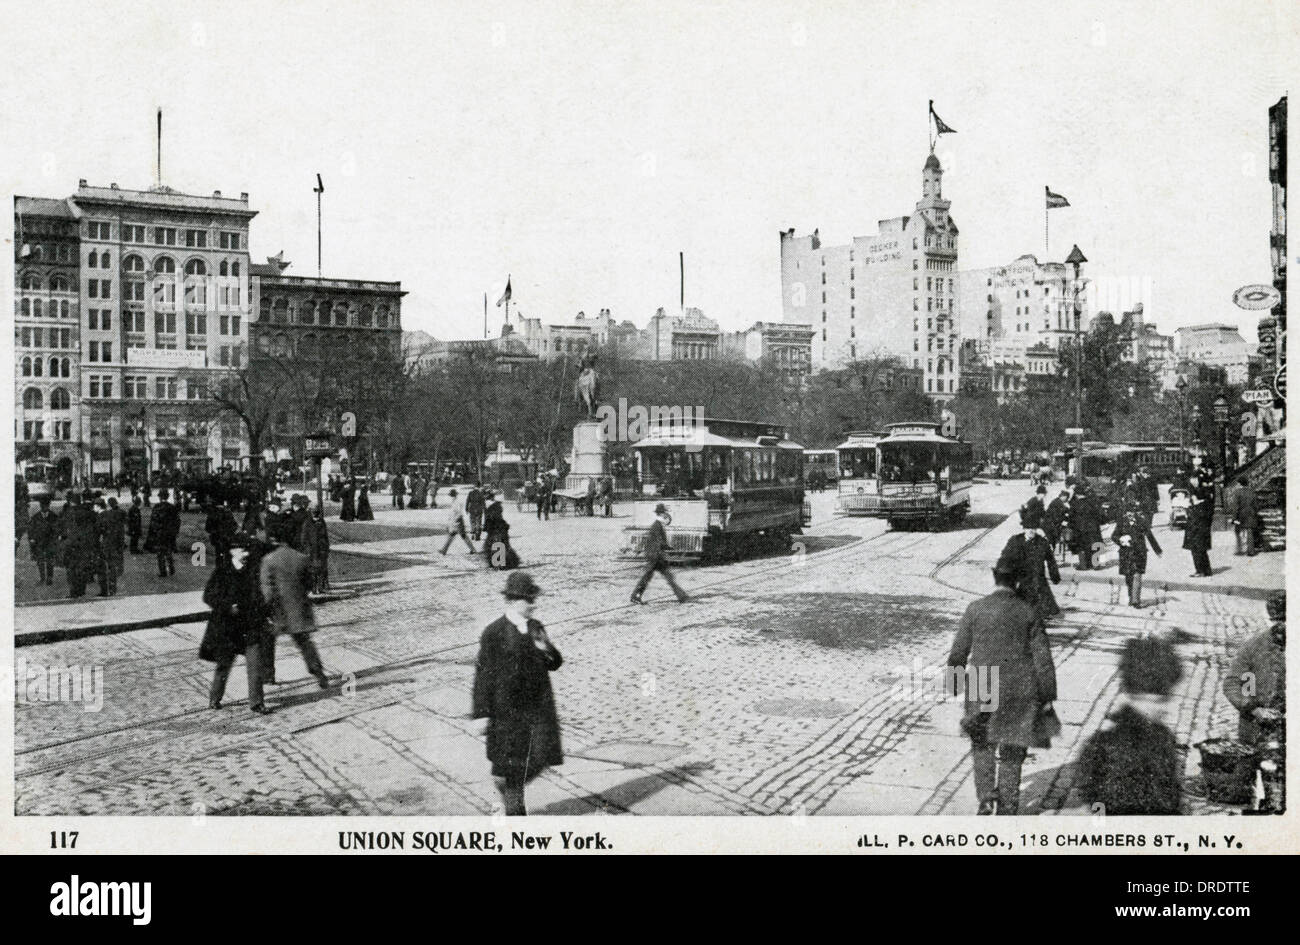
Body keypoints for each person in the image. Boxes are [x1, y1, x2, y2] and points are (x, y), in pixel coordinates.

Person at [947, 562, 1058, 815]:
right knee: (1012, 748)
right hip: (1018, 686)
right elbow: (1043, 658)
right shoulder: (1028, 611)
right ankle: (1008, 807)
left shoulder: (975, 609)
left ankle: (985, 797)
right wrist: (1048, 695)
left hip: (981, 682)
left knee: (982, 744)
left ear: (994, 580)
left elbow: (958, 653)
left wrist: (954, 686)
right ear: (1017, 582)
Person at [471, 571, 563, 816]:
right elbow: (483, 674)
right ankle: (516, 825)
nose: (533, 604)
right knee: (514, 769)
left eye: (533, 599)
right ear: (511, 601)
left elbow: (555, 663)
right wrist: (481, 712)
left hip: (537, 711)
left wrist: (546, 648)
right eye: (527, 600)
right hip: (507, 714)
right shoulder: (494, 632)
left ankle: (505, 786)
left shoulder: (536, 627)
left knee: (540, 759)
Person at [1075, 636, 1183, 814]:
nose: (1164, 709)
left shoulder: (1164, 738)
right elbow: (1096, 805)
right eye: (1157, 700)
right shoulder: (1104, 745)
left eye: (1166, 699)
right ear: (1134, 695)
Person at [201, 536, 270, 715]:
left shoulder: (254, 571)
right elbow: (208, 596)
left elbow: (262, 596)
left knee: (255, 665)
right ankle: (214, 698)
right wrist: (227, 606)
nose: (246, 554)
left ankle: (256, 702)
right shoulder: (222, 571)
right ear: (232, 551)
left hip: (250, 626)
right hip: (228, 628)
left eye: (247, 551)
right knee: (223, 665)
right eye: (242, 551)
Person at [258, 536, 331, 690]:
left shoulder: (268, 560)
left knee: (267, 641)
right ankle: (319, 673)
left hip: (278, 611)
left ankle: (268, 675)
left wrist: (265, 610)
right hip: (298, 608)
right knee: (305, 642)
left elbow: (268, 592)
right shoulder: (301, 558)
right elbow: (310, 584)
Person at [1223, 591, 1285, 744]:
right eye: (1277, 621)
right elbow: (1234, 683)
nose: (1282, 626)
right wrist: (1254, 709)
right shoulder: (1253, 647)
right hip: (1257, 730)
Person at [998, 506, 1061, 620]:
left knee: (1040, 611)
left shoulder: (1042, 542)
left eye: (1033, 528)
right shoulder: (1015, 541)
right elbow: (1004, 557)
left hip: (1038, 580)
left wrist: (1054, 576)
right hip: (1020, 579)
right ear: (1024, 529)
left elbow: (1051, 560)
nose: (1031, 531)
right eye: (1028, 528)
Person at [631, 503, 689, 604]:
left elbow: (659, 542)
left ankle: (681, 596)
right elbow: (659, 542)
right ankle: (635, 595)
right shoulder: (657, 525)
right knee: (652, 576)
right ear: (661, 514)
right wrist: (670, 548)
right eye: (664, 513)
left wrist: (669, 548)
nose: (665, 515)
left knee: (666, 576)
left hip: (656, 555)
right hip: (654, 556)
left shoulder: (658, 525)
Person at [1112, 499, 1162, 608]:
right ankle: (1131, 597)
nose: (1130, 515)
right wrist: (1121, 539)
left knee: (1137, 575)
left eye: (1132, 512)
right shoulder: (1121, 522)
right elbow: (1114, 536)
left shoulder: (1142, 521)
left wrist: (1157, 550)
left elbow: (1149, 535)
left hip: (1140, 552)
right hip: (1126, 553)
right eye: (1128, 513)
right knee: (1128, 577)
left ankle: (1136, 601)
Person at [57, 493, 99, 598]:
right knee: (82, 567)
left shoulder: (68, 513)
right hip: (85, 545)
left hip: (71, 545)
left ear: (70, 502)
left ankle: (73, 591)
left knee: (71, 569)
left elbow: (62, 529)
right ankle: (81, 590)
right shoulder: (88, 512)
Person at [1183, 466, 1215, 577]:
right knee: (1198, 549)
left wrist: (1193, 505)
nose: (1193, 481)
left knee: (1198, 549)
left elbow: (1202, 511)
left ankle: (1201, 570)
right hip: (1196, 526)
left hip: (1198, 526)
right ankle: (1204, 570)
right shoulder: (1197, 492)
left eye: (1194, 479)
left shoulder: (1202, 493)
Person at [147, 488, 181, 578]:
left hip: (160, 533)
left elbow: (153, 522)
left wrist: (153, 533)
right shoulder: (172, 507)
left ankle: (163, 571)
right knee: (169, 550)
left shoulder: (157, 507)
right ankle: (171, 568)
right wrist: (175, 531)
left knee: (160, 553)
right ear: (168, 496)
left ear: (159, 497)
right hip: (170, 533)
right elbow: (177, 521)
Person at [97, 497, 127, 596]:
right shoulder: (114, 514)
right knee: (111, 567)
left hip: (104, 544)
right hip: (113, 543)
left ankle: (105, 590)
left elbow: (98, 532)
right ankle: (112, 588)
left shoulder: (101, 516)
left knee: (102, 568)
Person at [1068, 482, 1102, 571]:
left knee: (1081, 547)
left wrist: (1070, 525)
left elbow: (1071, 517)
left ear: (1076, 494)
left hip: (1080, 529)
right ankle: (1095, 565)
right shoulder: (1091, 502)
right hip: (1093, 528)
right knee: (1094, 545)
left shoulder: (1075, 504)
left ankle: (1083, 565)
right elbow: (1099, 514)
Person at [483, 489, 519, 569]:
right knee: (499, 544)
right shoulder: (495, 506)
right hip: (497, 528)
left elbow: (491, 518)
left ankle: (497, 563)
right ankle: (499, 563)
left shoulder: (490, 506)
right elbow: (496, 518)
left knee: (496, 544)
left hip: (495, 528)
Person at [28, 496, 59, 586]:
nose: (44, 507)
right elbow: (31, 530)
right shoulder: (35, 517)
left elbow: (57, 529)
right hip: (39, 543)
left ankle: (49, 578)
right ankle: (42, 578)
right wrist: (32, 539)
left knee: (50, 561)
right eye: (42, 506)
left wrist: (55, 539)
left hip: (50, 542)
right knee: (40, 561)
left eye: (46, 505)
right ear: (40, 506)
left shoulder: (54, 517)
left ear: (48, 506)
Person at [1226, 474, 1259, 557]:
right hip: (1251, 514)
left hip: (1241, 515)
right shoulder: (1252, 491)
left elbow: (1235, 506)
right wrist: (1255, 513)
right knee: (1250, 532)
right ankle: (1250, 551)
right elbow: (1256, 505)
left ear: (1240, 484)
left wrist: (1234, 518)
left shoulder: (1237, 492)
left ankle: (1239, 549)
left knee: (1237, 531)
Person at [301, 505, 331, 594]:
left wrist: (326, 547)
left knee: (322, 569)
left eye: (317, 512)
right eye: (313, 512)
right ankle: (313, 588)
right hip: (312, 551)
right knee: (313, 571)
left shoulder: (322, 522)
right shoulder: (307, 523)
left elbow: (325, 536)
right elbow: (304, 538)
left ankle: (321, 587)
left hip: (321, 550)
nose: (315, 514)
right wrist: (307, 549)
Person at [205, 498, 239, 567]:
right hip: (227, 537)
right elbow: (235, 525)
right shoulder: (228, 512)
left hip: (218, 538)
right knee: (227, 554)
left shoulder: (212, 514)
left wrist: (214, 532)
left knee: (219, 555)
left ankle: (220, 569)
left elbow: (207, 528)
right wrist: (230, 533)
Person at [440, 488, 475, 555]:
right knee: (451, 535)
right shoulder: (454, 501)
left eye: (452, 495)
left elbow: (459, 512)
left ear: (454, 495)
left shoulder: (457, 502)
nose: (451, 497)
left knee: (463, 535)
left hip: (458, 521)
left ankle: (473, 549)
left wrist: (455, 521)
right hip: (455, 521)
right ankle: (444, 550)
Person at [1043, 487, 1070, 552]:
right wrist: (1064, 520)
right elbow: (1057, 517)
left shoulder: (1057, 501)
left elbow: (1065, 511)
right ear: (1064, 496)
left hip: (1050, 523)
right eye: (1067, 498)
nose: (1067, 500)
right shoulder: (1058, 503)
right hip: (1051, 525)